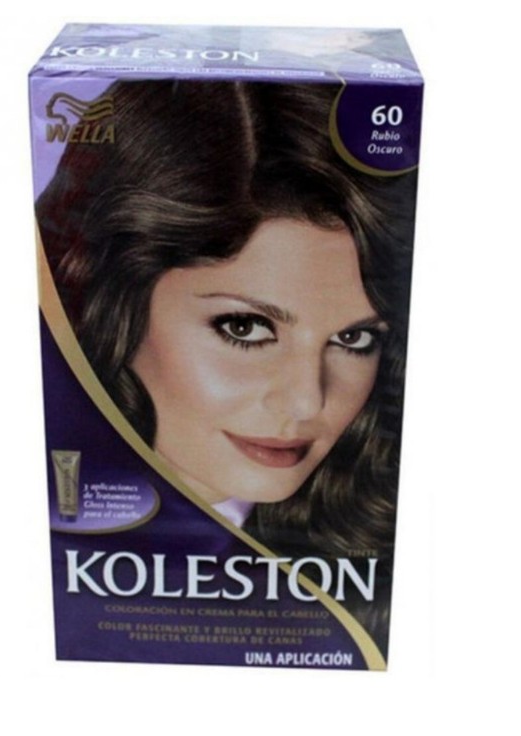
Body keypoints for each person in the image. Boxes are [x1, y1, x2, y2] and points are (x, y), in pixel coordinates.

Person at [37, 81, 415, 617]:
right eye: (245, 327)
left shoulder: (367, 581)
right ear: (114, 302)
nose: (306, 402)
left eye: (353, 338)